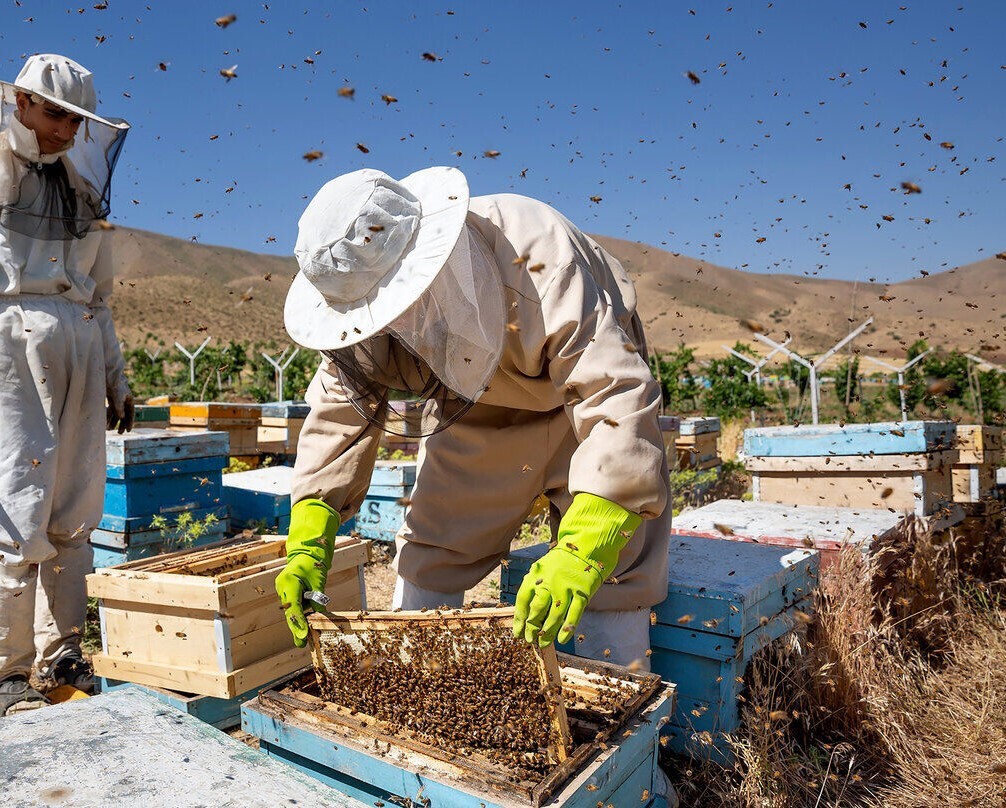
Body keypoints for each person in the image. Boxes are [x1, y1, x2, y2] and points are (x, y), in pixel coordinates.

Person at [276, 166, 670, 668]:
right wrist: (309, 531)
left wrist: (585, 543)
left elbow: (611, 391)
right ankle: (418, 696)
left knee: (613, 579)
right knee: (431, 553)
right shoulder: (359, 304)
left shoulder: (538, 250)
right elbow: (340, 407)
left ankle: (627, 719)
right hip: (475, 410)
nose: (393, 323)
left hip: (582, 412)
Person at [0, 55, 133, 715]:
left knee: (75, 511)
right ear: (20, 102)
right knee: (17, 510)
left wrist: (116, 373)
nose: (68, 131)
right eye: (56, 113)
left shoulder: (82, 192)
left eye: (78, 120)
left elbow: (100, 296)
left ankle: (64, 660)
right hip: (10, 344)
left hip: (79, 339)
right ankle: (7, 672)